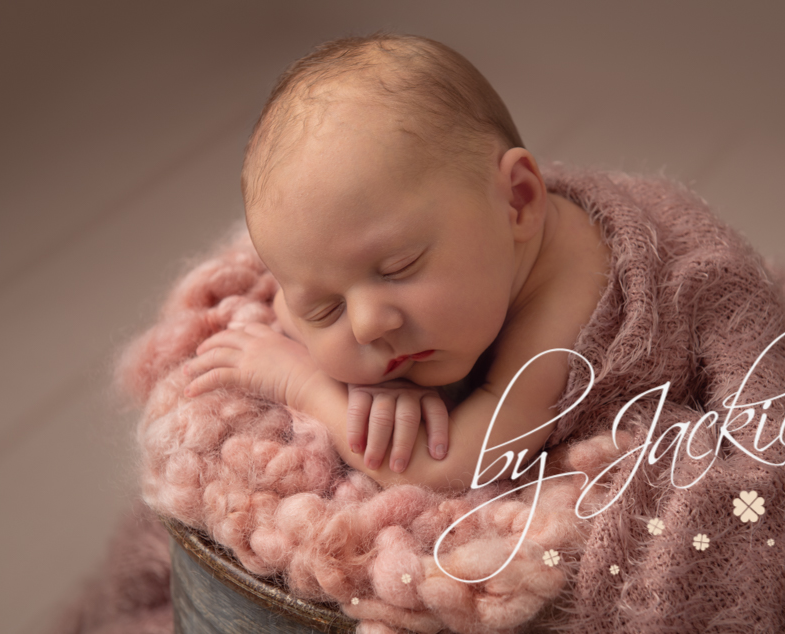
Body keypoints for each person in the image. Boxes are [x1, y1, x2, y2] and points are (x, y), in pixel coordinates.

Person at [181, 33, 610, 492]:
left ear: (519, 201)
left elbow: (456, 467)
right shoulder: (457, 250)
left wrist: (304, 385)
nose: (367, 325)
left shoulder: (569, 292)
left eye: (398, 268)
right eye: (328, 308)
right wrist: (380, 382)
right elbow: (290, 307)